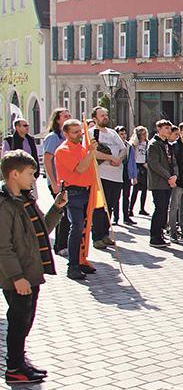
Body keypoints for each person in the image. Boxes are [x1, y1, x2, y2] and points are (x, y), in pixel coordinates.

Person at [0, 150, 67, 384]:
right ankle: (14, 368)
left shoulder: (26, 199)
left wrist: (57, 208)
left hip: (31, 271)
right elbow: (3, 247)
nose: (34, 178)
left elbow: (41, 231)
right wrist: (17, 277)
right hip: (17, 275)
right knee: (19, 319)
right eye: (30, 173)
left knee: (26, 317)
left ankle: (19, 360)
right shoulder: (4, 205)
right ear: (14, 174)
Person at [54, 119, 99, 280]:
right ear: (65, 134)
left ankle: (81, 260)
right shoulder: (63, 150)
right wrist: (90, 152)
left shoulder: (80, 147)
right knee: (77, 227)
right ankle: (72, 266)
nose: (79, 134)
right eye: (75, 132)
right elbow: (80, 168)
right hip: (73, 194)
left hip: (86, 192)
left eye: (80, 131)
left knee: (84, 228)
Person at [90, 107, 127, 250]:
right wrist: (110, 157)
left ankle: (105, 233)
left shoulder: (112, 133)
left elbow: (123, 148)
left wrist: (119, 158)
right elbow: (92, 153)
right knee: (99, 206)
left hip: (116, 176)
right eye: (102, 115)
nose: (105, 117)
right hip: (101, 176)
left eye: (106, 115)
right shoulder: (92, 133)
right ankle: (97, 236)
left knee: (110, 205)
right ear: (95, 119)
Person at [41, 109, 71, 255]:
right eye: (65, 116)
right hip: (57, 181)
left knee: (66, 213)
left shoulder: (67, 137)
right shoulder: (53, 138)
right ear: (58, 120)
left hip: (68, 181)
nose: (69, 117)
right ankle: (60, 245)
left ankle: (62, 244)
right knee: (62, 212)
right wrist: (53, 182)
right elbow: (47, 161)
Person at [146, 120, 176, 248]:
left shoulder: (167, 144)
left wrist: (174, 176)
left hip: (168, 182)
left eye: (169, 128)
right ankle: (154, 236)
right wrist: (168, 176)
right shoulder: (153, 144)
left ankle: (160, 233)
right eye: (166, 128)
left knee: (164, 209)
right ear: (159, 129)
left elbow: (172, 162)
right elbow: (154, 164)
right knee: (159, 208)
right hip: (158, 182)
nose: (169, 130)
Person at [116, 126, 138, 226]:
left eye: (125, 134)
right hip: (116, 172)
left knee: (126, 195)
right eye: (121, 134)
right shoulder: (114, 145)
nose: (123, 136)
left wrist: (134, 176)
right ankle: (115, 217)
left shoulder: (129, 146)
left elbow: (132, 162)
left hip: (126, 172)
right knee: (116, 197)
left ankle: (126, 216)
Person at [128, 126, 149, 217]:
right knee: (135, 189)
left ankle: (142, 208)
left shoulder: (147, 143)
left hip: (144, 165)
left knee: (144, 189)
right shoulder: (134, 144)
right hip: (136, 165)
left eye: (145, 133)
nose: (143, 136)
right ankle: (130, 209)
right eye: (142, 134)